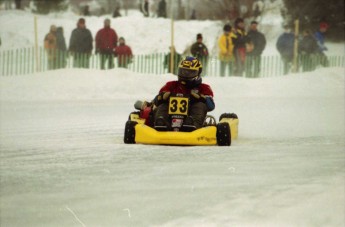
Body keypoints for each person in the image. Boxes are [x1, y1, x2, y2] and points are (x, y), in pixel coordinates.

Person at [153, 56, 215, 132]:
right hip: (170, 118)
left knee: (199, 105)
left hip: (191, 116)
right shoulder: (171, 85)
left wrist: (201, 98)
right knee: (163, 105)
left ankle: (192, 124)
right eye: (183, 71)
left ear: (198, 73)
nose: (185, 74)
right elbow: (156, 101)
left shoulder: (204, 88)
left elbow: (211, 106)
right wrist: (162, 97)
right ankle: (162, 122)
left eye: (190, 72)